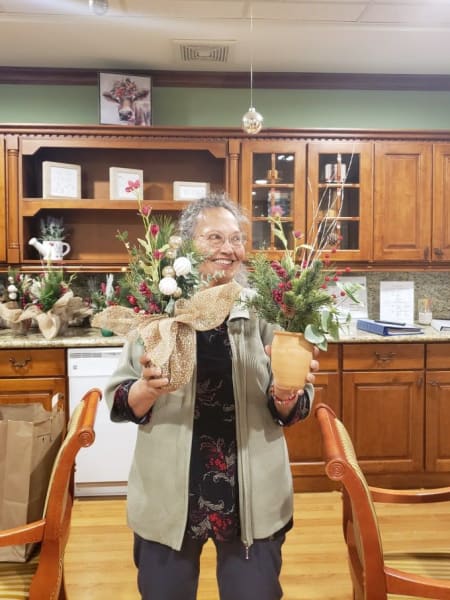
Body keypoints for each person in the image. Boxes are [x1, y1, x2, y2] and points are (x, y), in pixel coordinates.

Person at [104, 194, 319, 600]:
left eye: (237, 238)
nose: (229, 248)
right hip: (170, 494)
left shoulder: (266, 310)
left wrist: (288, 394)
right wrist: (147, 388)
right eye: (214, 237)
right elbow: (119, 401)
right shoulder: (158, 311)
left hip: (251, 494)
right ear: (186, 248)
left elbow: (292, 406)